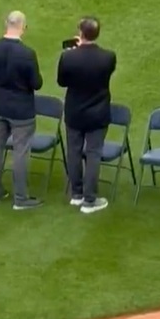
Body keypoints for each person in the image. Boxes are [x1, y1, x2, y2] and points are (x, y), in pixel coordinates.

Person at [0, 10, 43, 209]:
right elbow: (36, 83)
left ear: (5, 24)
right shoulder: (27, 54)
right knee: (20, 152)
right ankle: (21, 198)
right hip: (21, 112)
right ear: (23, 27)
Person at [56, 16, 116, 214]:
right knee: (93, 154)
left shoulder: (68, 57)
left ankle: (77, 194)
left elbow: (62, 82)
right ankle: (90, 200)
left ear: (80, 33)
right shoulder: (108, 57)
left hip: (75, 112)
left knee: (74, 152)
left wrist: (72, 53)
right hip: (98, 113)